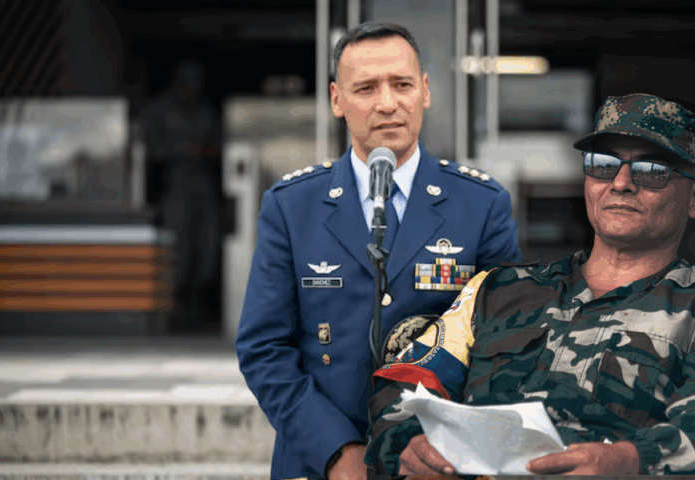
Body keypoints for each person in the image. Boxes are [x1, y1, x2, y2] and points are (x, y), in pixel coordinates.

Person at [364, 93, 695, 475]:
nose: (621, 182)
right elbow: (405, 380)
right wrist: (409, 444)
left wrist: (630, 461)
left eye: (652, 171)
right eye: (603, 164)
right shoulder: (497, 290)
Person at [234, 22, 521, 480]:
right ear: (336, 99)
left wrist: (440, 447)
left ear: (425, 91)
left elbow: (504, 342)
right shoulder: (292, 206)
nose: (387, 103)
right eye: (366, 88)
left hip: (440, 461)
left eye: (402, 85)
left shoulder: (481, 204)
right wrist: (335, 450)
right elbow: (263, 347)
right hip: (319, 463)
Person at [140, 59, 222, 330]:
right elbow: (144, 148)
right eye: (187, 81)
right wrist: (180, 150)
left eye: (196, 81)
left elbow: (219, 144)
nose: (191, 87)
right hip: (172, 182)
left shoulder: (205, 111)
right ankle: (170, 309)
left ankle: (197, 304)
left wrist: (205, 151)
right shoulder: (159, 110)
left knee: (207, 243)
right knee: (176, 246)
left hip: (202, 181)